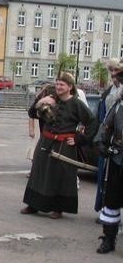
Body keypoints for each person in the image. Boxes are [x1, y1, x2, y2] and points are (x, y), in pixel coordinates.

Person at [21, 72, 97, 219]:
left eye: (62, 84)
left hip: (64, 145)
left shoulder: (76, 103)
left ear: (70, 87)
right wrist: (42, 100)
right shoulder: (51, 100)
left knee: (60, 176)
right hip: (46, 142)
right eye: (57, 84)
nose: (58, 87)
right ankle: (34, 204)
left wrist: (79, 139)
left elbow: (92, 122)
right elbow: (32, 113)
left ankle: (58, 208)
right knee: (39, 173)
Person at [94, 60, 123, 253]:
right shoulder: (119, 105)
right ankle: (109, 239)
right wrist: (101, 142)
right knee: (112, 199)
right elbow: (106, 125)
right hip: (118, 158)